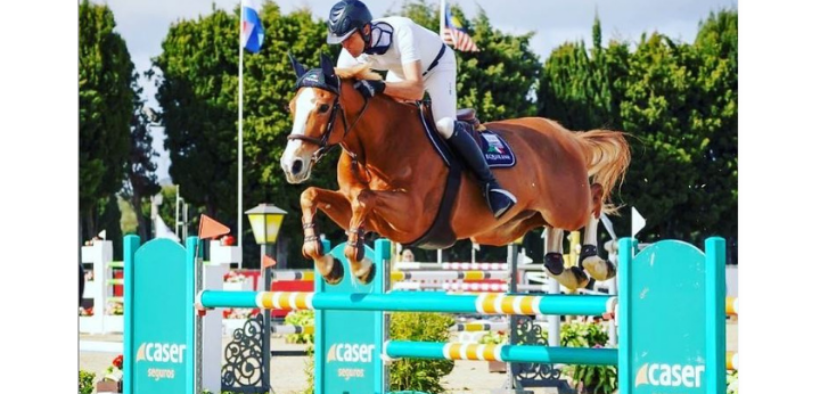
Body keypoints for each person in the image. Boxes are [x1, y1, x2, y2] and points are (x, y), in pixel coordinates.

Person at [325, 0, 517, 219]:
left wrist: (380, 86)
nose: (345, 46)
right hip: (401, 73)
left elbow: (416, 90)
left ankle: (490, 186)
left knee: (444, 125)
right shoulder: (349, 54)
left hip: (437, 68)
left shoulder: (402, 31)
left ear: (366, 30)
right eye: (340, 41)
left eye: (348, 38)